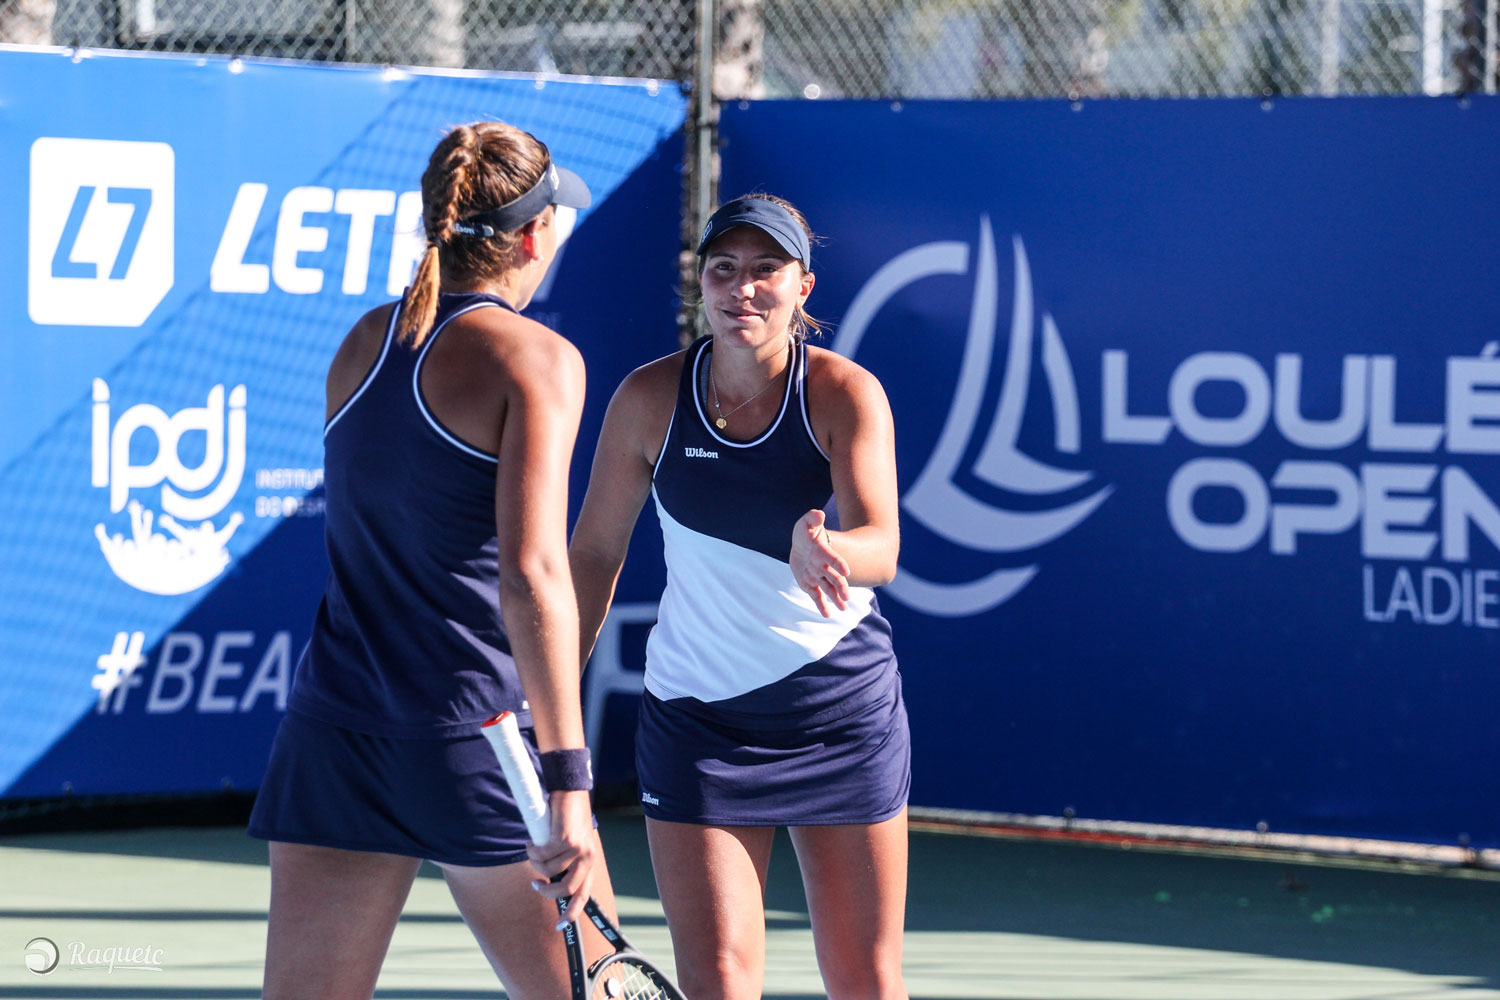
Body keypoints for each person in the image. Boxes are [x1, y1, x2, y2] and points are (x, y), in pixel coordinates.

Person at [248, 120, 613, 1000]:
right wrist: (569, 781)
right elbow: (534, 576)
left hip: (336, 733)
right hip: (477, 743)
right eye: (553, 220)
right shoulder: (538, 361)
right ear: (534, 236)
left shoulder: (363, 344)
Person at [570, 194, 911, 1000]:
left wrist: (827, 548)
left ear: (804, 289)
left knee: (865, 978)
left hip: (841, 715)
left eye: (767, 271)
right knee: (719, 979)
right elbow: (592, 554)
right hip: (699, 724)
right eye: (724, 270)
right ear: (701, 285)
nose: (743, 289)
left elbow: (883, 547)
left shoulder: (843, 394)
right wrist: (543, 693)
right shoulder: (649, 399)